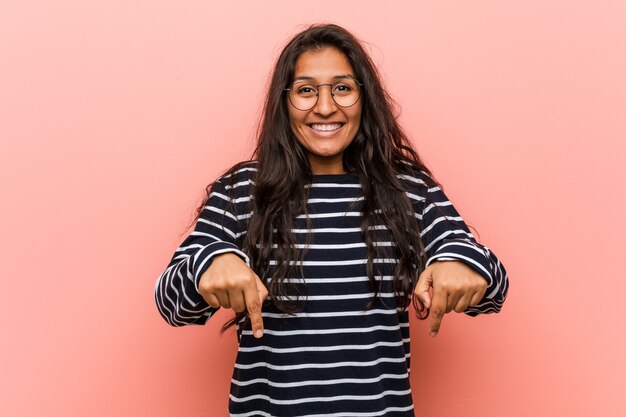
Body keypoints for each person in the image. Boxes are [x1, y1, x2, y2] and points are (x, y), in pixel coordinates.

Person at [154, 23, 509, 417]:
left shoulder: (408, 189)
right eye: (306, 90)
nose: (325, 107)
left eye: (342, 87)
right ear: (284, 102)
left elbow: (493, 289)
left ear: (364, 98)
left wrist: (458, 263)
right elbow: (170, 303)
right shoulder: (241, 192)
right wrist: (212, 261)